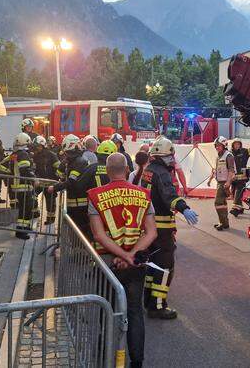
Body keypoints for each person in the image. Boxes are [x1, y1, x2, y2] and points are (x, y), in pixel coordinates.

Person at [88, 153, 157, 368]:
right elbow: (151, 232)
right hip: (135, 264)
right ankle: (136, 362)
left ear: (107, 171)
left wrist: (121, 256)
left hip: (107, 264)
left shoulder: (95, 196)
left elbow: (99, 235)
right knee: (135, 311)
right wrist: (132, 255)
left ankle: (104, 357)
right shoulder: (144, 195)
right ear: (127, 169)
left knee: (107, 311)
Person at [141, 136, 198, 319]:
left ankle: (148, 299)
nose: (172, 159)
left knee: (152, 263)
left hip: (148, 226)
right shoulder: (162, 173)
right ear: (166, 156)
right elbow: (169, 196)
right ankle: (157, 306)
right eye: (171, 156)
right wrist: (185, 208)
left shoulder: (148, 170)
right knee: (165, 265)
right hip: (162, 227)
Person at [74, 140, 118, 236]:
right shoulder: (117, 170)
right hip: (112, 208)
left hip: (93, 209)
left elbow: (79, 186)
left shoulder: (91, 168)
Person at [0, 133, 37, 240]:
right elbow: (25, 170)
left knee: (25, 208)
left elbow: (1, 164)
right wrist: (34, 179)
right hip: (23, 186)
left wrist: (10, 173)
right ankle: (20, 232)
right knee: (25, 209)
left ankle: (25, 227)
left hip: (17, 186)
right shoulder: (23, 154)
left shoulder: (14, 154)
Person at [48, 135, 89, 232]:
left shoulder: (80, 162)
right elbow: (61, 175)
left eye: (66, 152)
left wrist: (55, 188)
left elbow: (71, 181)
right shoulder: (72, 160)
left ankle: (79, 247)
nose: (65, 154)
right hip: (74, 203)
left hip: (80, 205)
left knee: (79, 231)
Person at [229, 133, 250, 217]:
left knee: (238, 192)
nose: (237, 145)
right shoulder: (229, 154)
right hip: (233, 178)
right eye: (235, 144)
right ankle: (240, 209)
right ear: (232, 145)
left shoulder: (245, 152)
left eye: (238, 144)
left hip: (242, 178)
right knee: (234, 193)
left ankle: (235, 209)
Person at [207, 136, 235, 231]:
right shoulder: (218, 156)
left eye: (219, 145)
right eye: (216, 146)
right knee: (222, 203)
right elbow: (215, 170)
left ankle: (223, 223)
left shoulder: (228, 156)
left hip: (224, 183)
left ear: (224, 145)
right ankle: (224, 223)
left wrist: (228, 182)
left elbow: (231, 170)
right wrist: (210, 180)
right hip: (219, 182)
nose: (217, 147)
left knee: (218, 202)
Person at [32, 135, 61, 225]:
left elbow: (58, 167)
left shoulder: (51, 155)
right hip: (40, 182)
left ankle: (50, 218)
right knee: (32, 195)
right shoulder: (36, 156)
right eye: (36, 146)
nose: (37, 148)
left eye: (38, 146)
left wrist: (58, 178)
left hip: (50, 182)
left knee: (50, 201)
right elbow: (34, 168)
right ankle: (35, 213)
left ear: (43, 145)